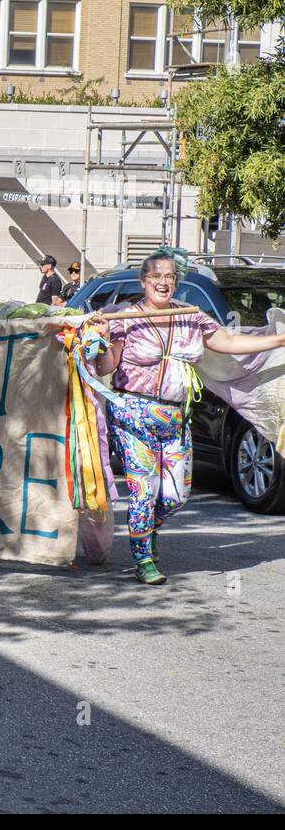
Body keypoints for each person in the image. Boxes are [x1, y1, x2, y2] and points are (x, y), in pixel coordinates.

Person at [90, 250, 285, 585]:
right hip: (133, 413)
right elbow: (108, 367)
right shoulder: (125, 318)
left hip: (176, 417)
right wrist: (101, 340)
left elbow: (228, 341)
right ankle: (144, 559)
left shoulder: (191, 317)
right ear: (144, 282)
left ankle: (147, 531)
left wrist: (280, 338)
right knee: (143, 490)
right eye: (156, 278)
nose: (163, 283)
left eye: (169, 277)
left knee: (176, 495)